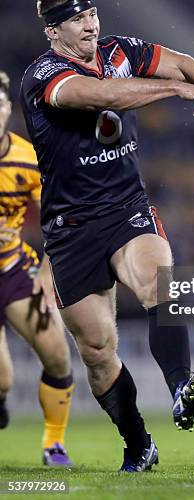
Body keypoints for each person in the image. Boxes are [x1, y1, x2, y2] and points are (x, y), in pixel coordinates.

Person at [20, 0, 194, 472]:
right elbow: (102, 95)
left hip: (126, 209)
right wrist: (174, 88)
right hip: (70, 228)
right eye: (77, 20)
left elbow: (189, 63)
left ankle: (182, 386)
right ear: (52, 32)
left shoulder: (121, 51)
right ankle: (138, 444)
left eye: (92, 14)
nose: (90, 25)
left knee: (158, 284)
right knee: (99, 351)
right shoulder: (43, 76)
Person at [0, 70, 74, 467]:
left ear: (8, 110)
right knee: (4, 381)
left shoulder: (28, 159)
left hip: (13, 270)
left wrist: (47, 269)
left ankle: (54, 445)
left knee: (58, 356)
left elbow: (58, 218)